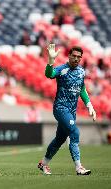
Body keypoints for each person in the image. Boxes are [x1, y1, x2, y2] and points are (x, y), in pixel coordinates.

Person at [38, 44, 97, 175]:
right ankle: (79, 167)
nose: (76, 59)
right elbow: (49, 74)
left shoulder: (81, 71)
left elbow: (81, 89)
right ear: (69, 56)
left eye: (79, 57)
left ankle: (43, 164)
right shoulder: (62, 69)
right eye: (74, 56)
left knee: (60, 139)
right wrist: (50, 61)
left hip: (71, 111)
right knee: (74, 133)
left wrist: (89, 105)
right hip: (60, 108)